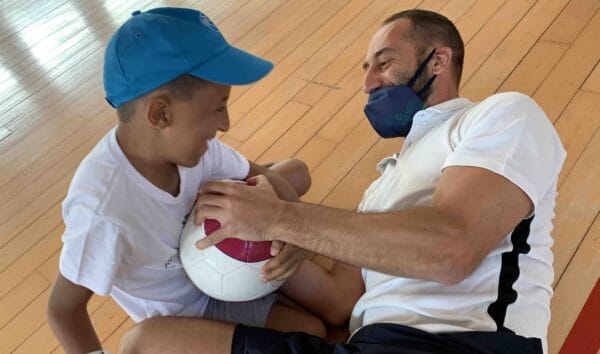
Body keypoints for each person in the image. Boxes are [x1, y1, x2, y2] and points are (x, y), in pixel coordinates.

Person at [117, 9, 566, 354]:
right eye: (365, 69)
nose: (369, 82)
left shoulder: (502, 115)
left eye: (384, 63)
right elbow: (337, 302)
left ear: (439, 60)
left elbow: (451, 250)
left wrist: (280, 219)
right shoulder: (382, 186)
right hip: (363, 343)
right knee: (149, 341)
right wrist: (234, 230)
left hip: (457, 344)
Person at [46, 7, 327, 354]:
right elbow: (63, 310)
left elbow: (263, 176)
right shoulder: (102, 209)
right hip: (190, 315)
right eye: (218, 107)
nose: (225, 123)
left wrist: (297, 228)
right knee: (311, 333)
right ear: (161, 113)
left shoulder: (197, 149)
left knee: (294, 176)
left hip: (221, 261)